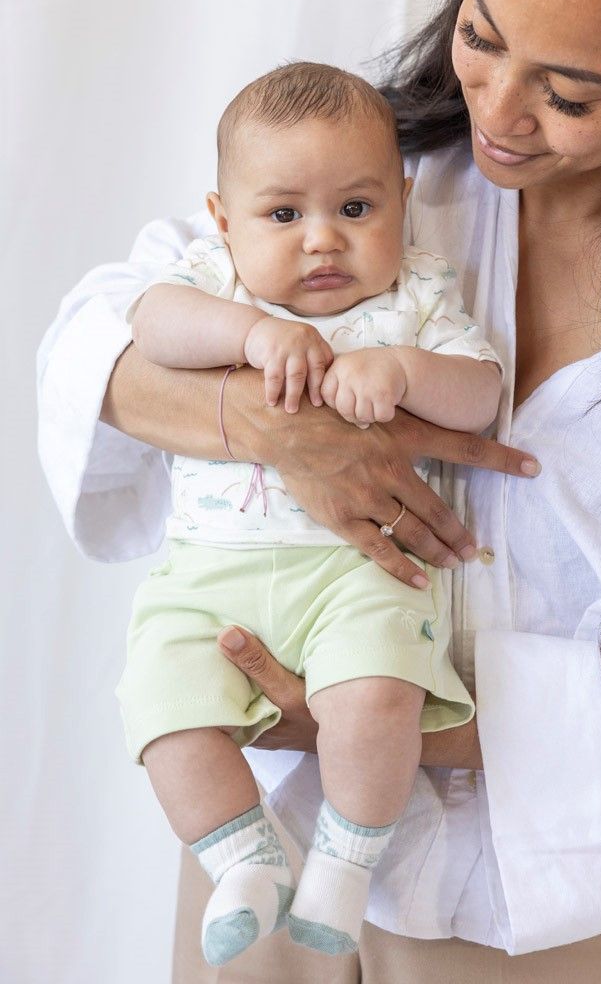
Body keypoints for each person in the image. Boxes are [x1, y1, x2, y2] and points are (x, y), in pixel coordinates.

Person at [37, 0, 601, 981]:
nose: (496, 111)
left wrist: (395, 715)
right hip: (264, 840)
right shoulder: (363, 166)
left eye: (567, 93)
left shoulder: (399, 248)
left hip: (555, 883)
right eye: (480, 39)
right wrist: (267, 422)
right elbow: (99, 334)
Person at [119, 62, 502, 966]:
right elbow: (148, 323)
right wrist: (251, 334)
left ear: (402, 200)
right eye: (284, 214)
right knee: (164, 715)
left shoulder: (415, 294)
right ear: (223, 219)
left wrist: (403, 371)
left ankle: (343, 862)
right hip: (206, 572)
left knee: (376, 701)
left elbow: (482, 394)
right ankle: (241, 860)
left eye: (356, 209)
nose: (323, 240)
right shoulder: (215, 282)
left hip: (357, 572)